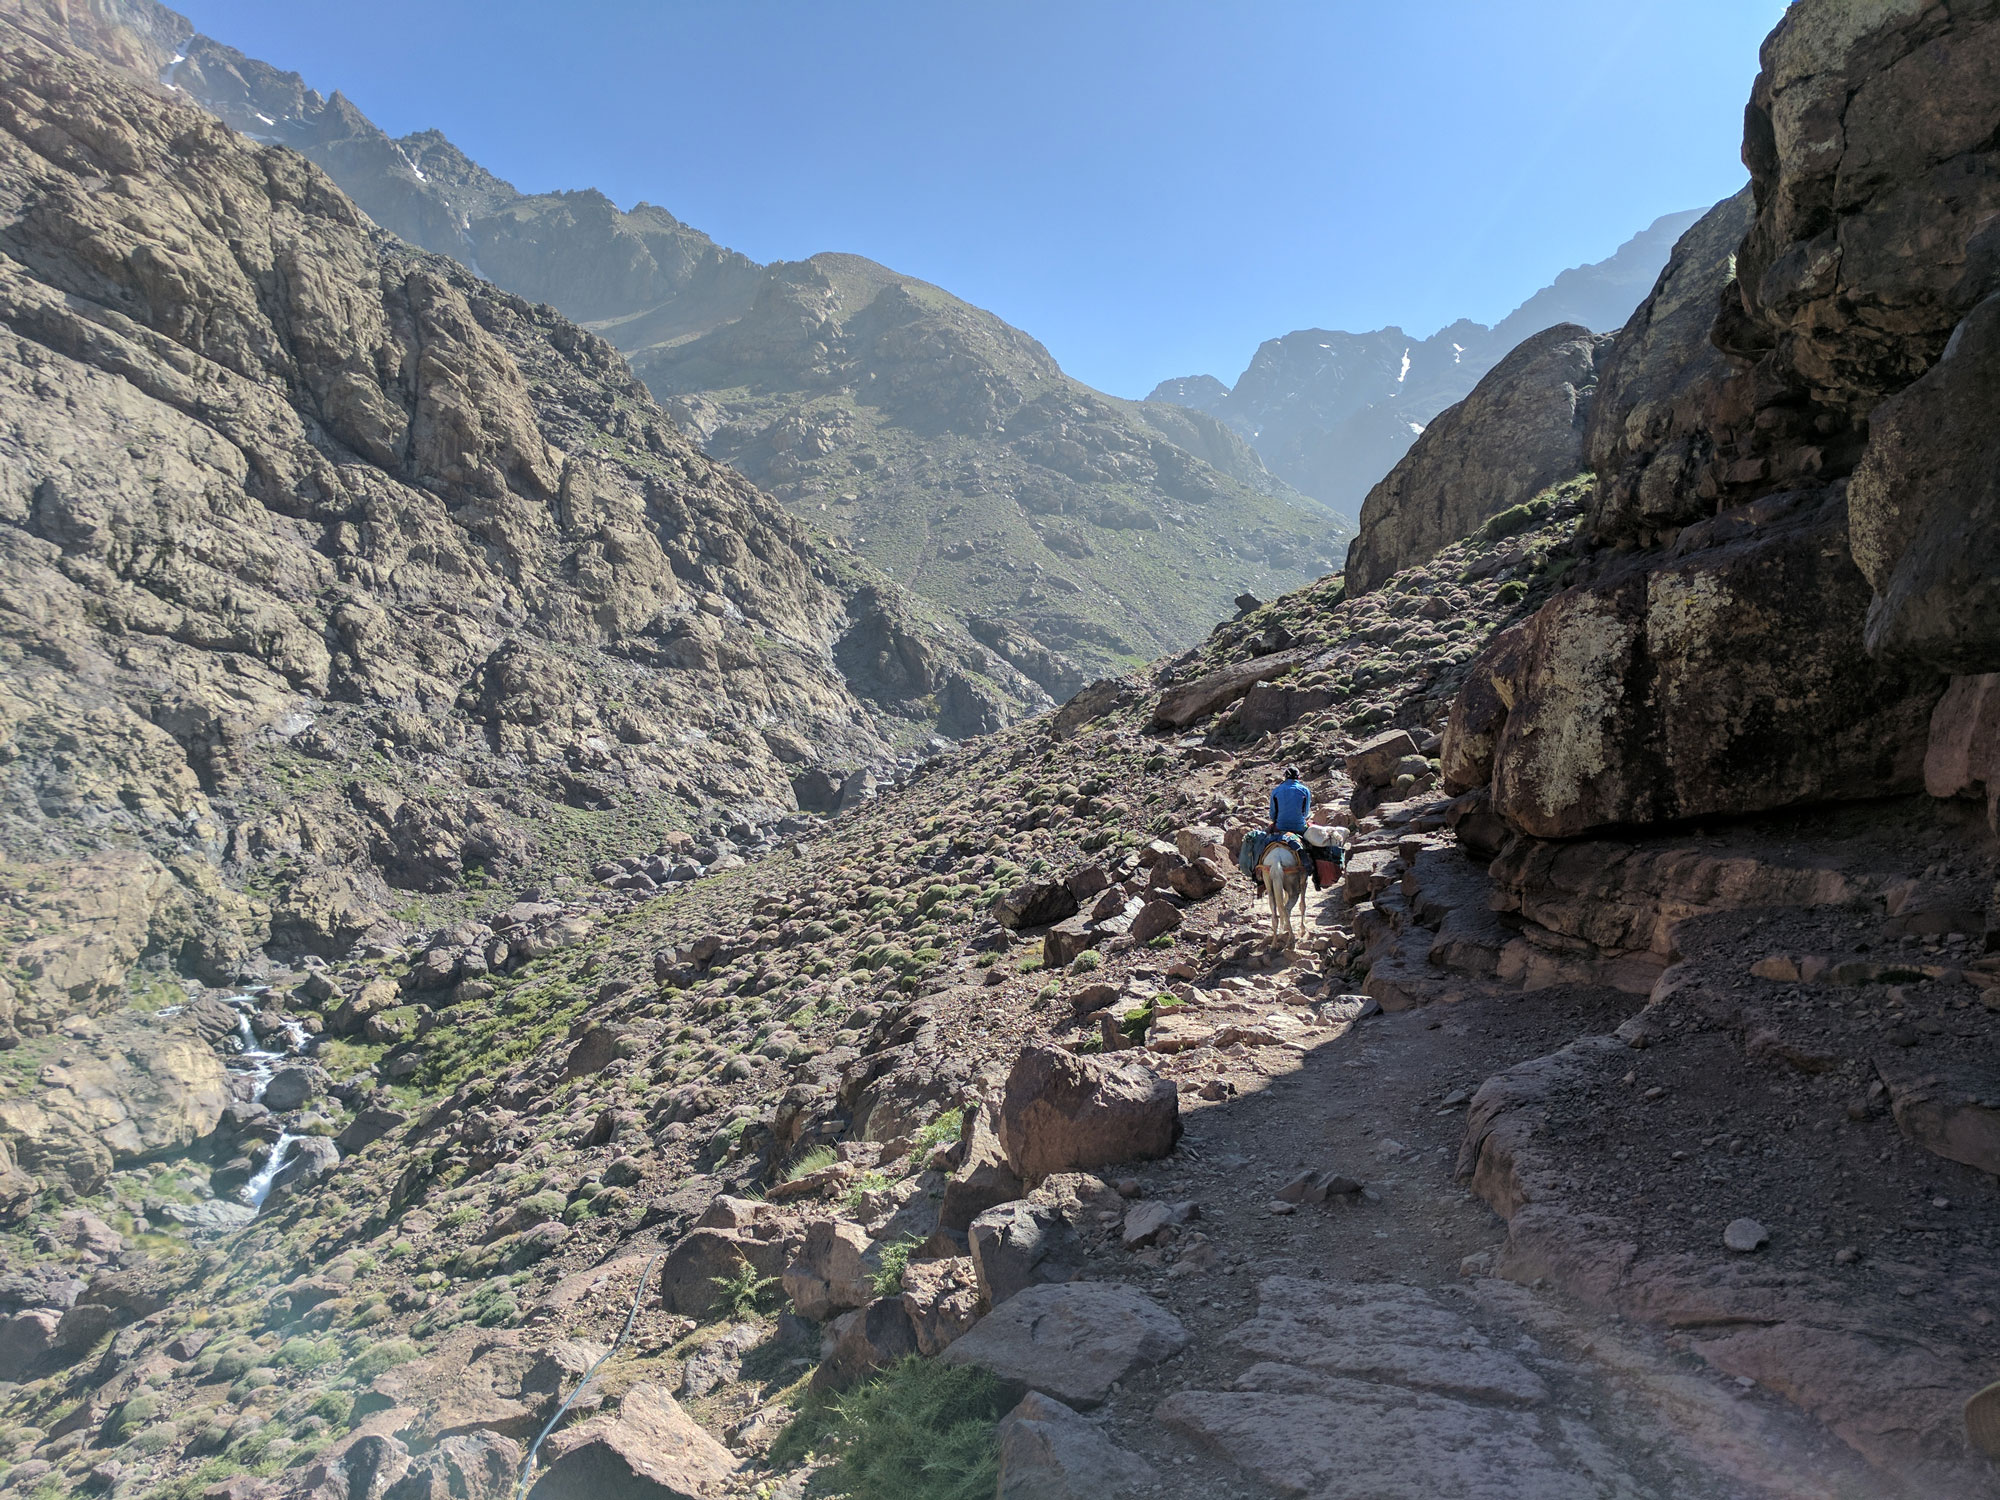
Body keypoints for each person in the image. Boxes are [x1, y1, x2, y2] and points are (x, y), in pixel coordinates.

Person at [1268, 766, 1312, 836]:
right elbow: (1306, 813)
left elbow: (1272, 814)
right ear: (1298, 777)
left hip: (1280, 827)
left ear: (1285, 777)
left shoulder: (1276, 791)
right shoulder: (1305, 790)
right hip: (1299, 827)